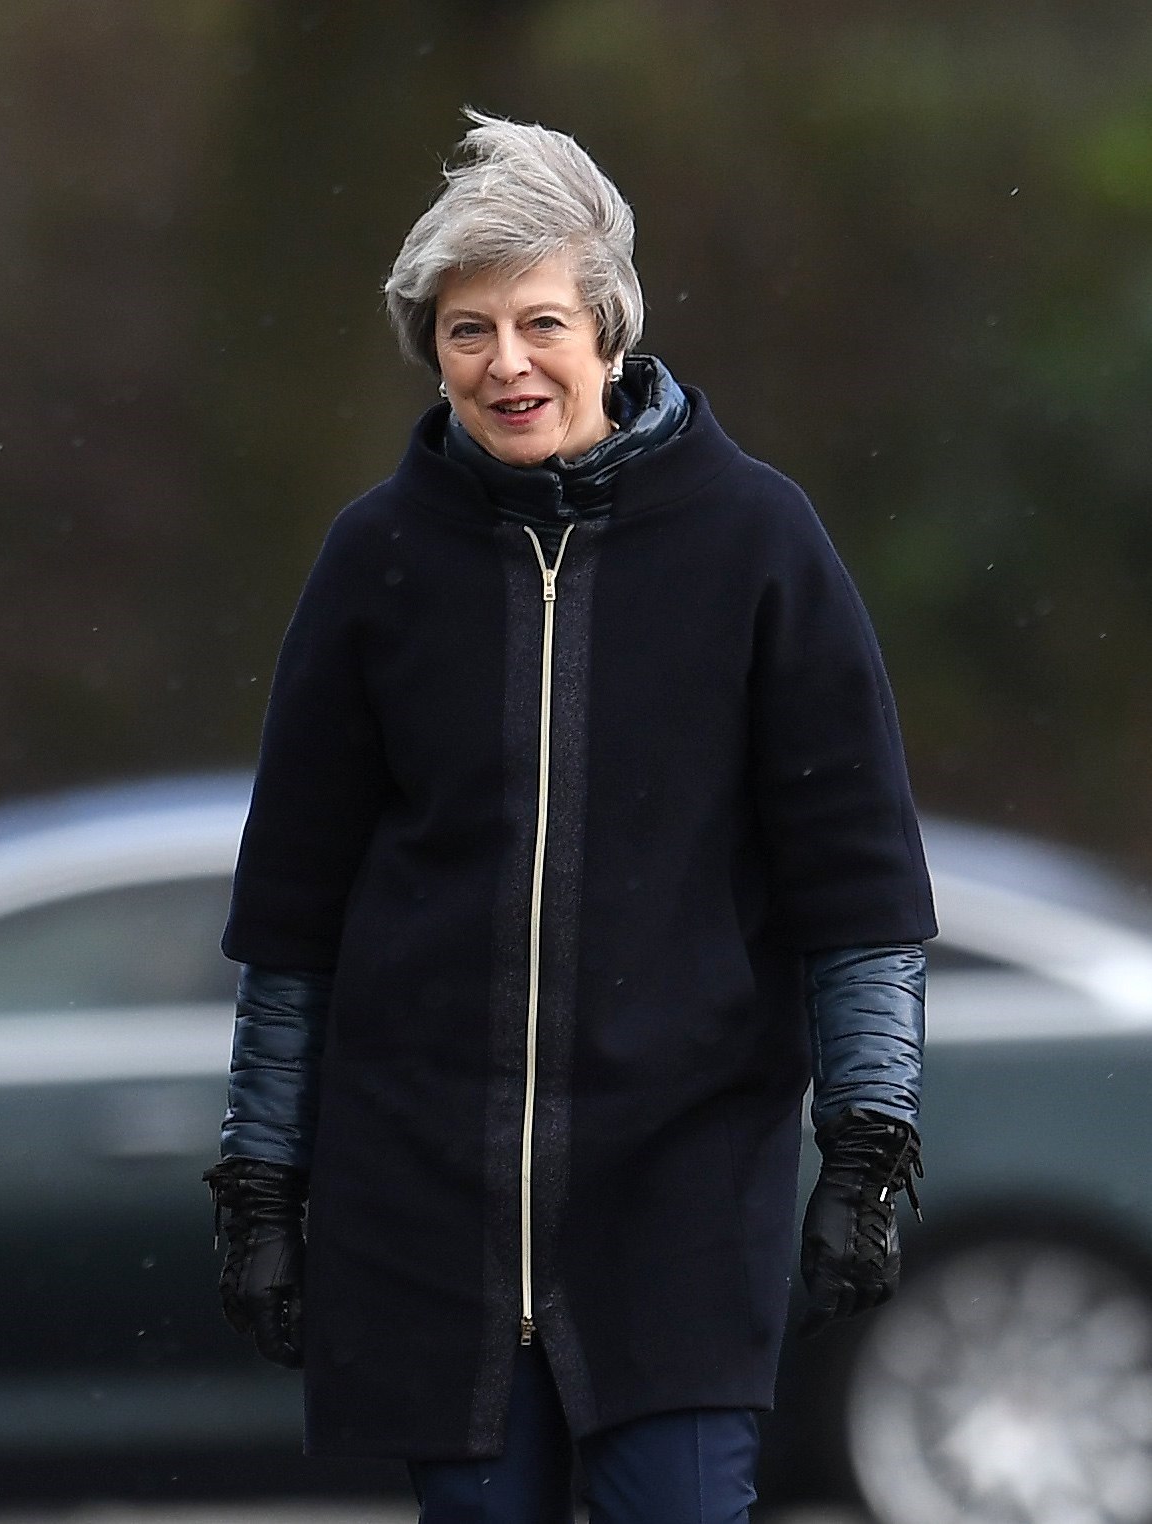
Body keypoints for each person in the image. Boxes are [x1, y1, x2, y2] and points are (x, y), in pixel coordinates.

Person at [202, 113, 933, 1524]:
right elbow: (290, 917)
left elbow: (856, 892)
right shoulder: (375, 560)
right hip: (428, 1198)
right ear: (430, 350)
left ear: (607, 333)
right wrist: (258, 1182)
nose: (505, 362)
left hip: (677, 1189)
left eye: (540, 322)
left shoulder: (755, 543)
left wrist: (867, 1146)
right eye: (465, 330)